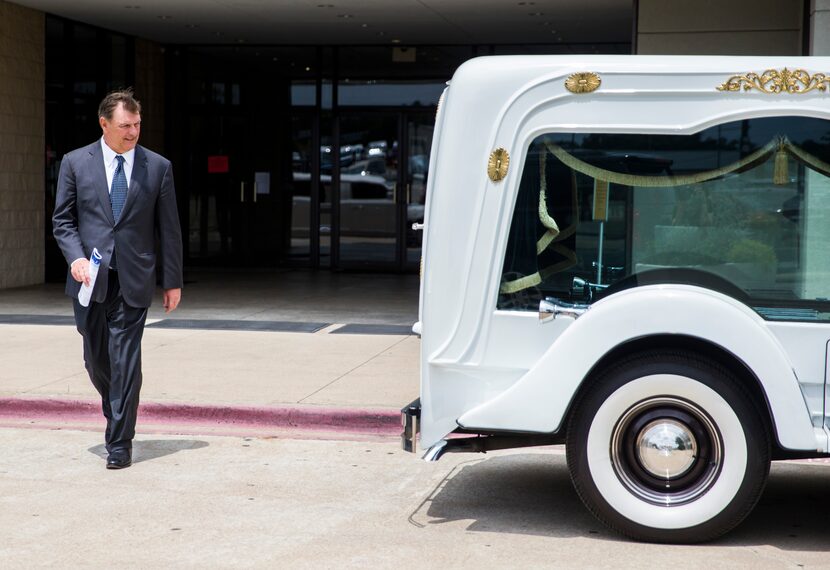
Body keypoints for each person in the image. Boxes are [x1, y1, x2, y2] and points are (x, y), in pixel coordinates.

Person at [52, 89, 183, 469]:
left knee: (125, 358)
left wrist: (171, 281)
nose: (133, 132)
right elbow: (63, 221)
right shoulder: (76, 162)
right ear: (104, 124)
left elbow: (169, 230)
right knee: (96, 360)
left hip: (134, 279)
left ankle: (120, 442)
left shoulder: (158, 167)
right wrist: (75, 258)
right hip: (89, 280)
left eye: (137, 124)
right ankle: (117, 410)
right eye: (125, 126)